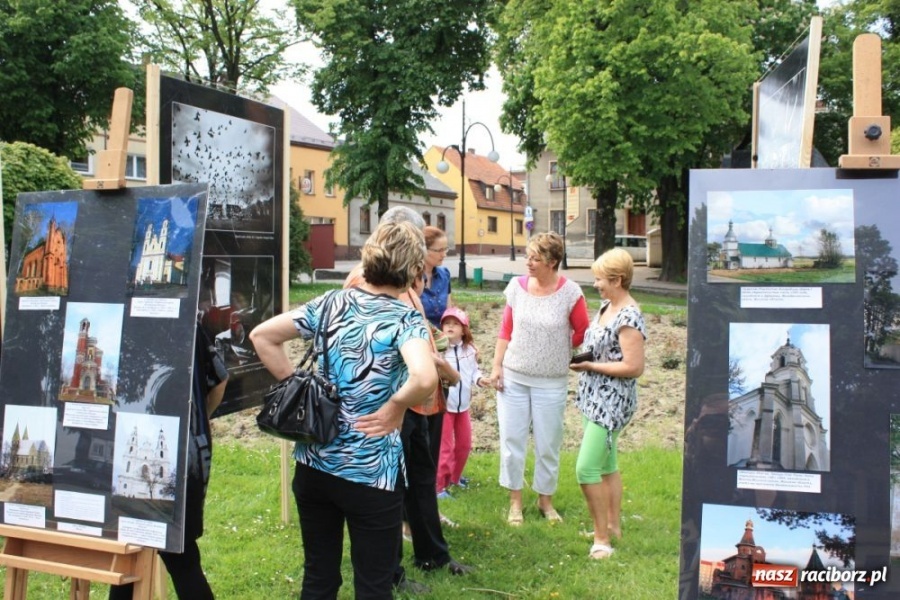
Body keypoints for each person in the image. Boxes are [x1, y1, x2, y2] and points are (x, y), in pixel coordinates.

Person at [250, 221, 439, 599]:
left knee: (319, 577)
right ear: (413, 268)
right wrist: (396, 406)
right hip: (371, 473)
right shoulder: (404, 319)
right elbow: (424, 377)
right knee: (373, 584)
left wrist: (300, 388)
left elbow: (262, 336)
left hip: (314, 463)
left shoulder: (330, 303)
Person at [345, 208, 471, 587]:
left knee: (420, 478)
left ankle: (433, 554)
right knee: (389, 490)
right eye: (415, 242)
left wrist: (436, 366)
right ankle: (391, 573)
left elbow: (415, 333)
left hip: (419, 399)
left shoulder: (405, 281)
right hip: (391, 399)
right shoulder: (364, 280)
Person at [110, 323, 228, 600]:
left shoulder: (122, 318)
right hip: (179, 453)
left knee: (127, 557)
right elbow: (219, 380)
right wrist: (198, 423)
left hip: (144, 449)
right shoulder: (187, 322)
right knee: (181, 556)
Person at [489, 232, 589, 526]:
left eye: (535, 258)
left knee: (548, 443)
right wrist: (497, 366)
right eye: (527, 256)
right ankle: (515, 502)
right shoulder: (516, 288)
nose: (528, 262)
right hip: (514, 377)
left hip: (551, 381)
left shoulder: (571, 293)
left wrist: (562, 351)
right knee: (512, 441)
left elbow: (583, 331)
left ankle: (545, 500)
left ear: (553, 261)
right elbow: (505, 330)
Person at [569, 248, 646, 560]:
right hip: (593, 396)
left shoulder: (629, 317)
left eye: (600, 279)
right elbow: (601, 348)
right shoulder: (607, 306)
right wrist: (584, 359)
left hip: (611, 403)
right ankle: (612, 526)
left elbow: (633, 367)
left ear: (617, 279)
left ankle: (602, 540)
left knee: (586, 469)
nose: (595, 284)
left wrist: (591, 367)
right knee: (607, 465)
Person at [436, 307, 487, 498]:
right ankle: (439, 486)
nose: (449, 326)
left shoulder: (470, 350)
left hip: (463, 406)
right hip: (445, 407)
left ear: (464, 329)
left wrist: (481, 380)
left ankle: (454, 478)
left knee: (464, 445)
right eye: (446, 323)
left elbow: (474, 371)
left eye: (455, 323)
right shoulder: (439, 350)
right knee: (445, 448)